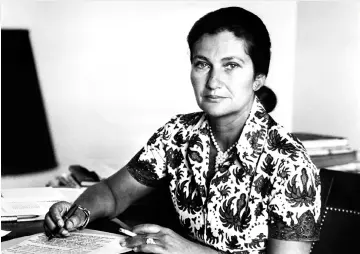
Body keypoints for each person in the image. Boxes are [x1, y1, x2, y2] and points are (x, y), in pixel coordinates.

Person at [44, 6, 321, 254]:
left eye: (231, 66)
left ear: (258, 78)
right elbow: (114, 193)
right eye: (202, 64)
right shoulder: (177, 133)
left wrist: (188, 251)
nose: (213, 81)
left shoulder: (290, 163)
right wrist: (78, 213)